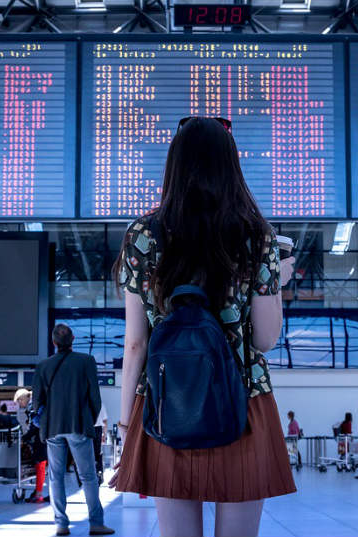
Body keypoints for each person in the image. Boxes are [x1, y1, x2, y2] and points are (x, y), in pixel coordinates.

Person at [109, 117, 297, 537]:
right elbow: (265, 340)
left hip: (165, 401)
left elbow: (136, 344)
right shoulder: (258, 237)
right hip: (244, 401)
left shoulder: (143, 234)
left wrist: (126, 426)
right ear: (231, 165)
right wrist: (274, 284)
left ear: (174, 165)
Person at [33, 324, 113, 536]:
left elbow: (36, 402)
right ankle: (96, 523)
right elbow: (95, 397)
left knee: (56, 476)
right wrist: (90, 419)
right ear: (73, 339)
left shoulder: (43, 366)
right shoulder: (86, 361)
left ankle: (61, 524)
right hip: (78, 424)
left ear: (53, 342)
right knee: (88, 476)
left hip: (52, 428)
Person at [17, 389, 48, 504]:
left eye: (19, 401)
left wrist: (24, 438)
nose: (20, 404)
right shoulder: (41, 406)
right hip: (45, 439)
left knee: (40, 467)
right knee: (42, 467)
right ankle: (38, 492)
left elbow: (35, 426)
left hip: (40, 441)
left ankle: (39, 494)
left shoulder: (35, 407)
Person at [94, 403, 108, 484]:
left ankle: (92, 475)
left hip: (87, 430)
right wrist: (104, 435)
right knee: (97, 454)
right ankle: (99, 474)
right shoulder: (101, 404)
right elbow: (105, 421)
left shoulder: (83, 401)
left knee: (88, 454)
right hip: (98, 430)